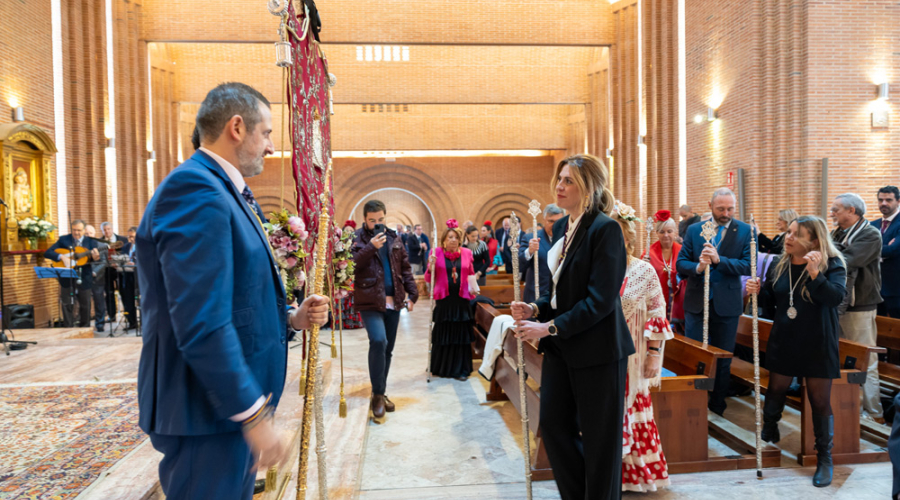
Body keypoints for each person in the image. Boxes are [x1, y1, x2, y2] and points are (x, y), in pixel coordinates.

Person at [135, 82, 330, 500]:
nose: (272, 147)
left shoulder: (223, 190)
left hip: (223, 412)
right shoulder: (194, 190)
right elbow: (201, 318)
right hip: (205, 410)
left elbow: (236, 295)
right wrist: (253, 414)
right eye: (268, 133)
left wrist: (292, 318)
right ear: (237, 127)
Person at [511, 154, 633, 500]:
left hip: (598, 349)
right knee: (552, 426)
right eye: (559, 179)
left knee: (599, 441)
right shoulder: (565, 226)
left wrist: (547, 328)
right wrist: (536, 307)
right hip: (564, 346)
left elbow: (600, 300)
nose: (560, 187)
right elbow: (563, 292)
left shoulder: (604, 229)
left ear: (588, 188)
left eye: (568, 181)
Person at [747, 216, 847, 487]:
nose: (787, 238)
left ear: (814, 240)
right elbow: (773, 300)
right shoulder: (782, 263)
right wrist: (758, 291)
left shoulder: (832, 264)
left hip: (818, 341)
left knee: (819, 401)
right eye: (788, 232)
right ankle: (770, 425)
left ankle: (824, 458)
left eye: (795, 234)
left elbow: (835, 299)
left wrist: (816, 274)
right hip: (785, 338)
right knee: (777, 387)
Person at [612, 202, 672, 492]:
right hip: (604, 355)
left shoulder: (643, 271)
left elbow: (657, 314)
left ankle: (635, 476)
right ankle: (609, 475)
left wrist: (653, 355)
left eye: (618, 236)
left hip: (635, 356)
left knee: (633, 408)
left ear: (628, 239)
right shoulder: (597, 270)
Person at [677, 188, 752, 416]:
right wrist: (698, 268)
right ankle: (694, 404)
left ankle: (718, 404)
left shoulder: (745, 231)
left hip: (726, 303)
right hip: (697, 301)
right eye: (721, 208)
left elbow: (748, 265)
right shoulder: (695, 230)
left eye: (730, 208)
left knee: (723, 356)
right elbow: (681, 263)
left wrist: (720, 261)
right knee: (695, 354)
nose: (726, 213)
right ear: (710, 205)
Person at [351, 199, 419, 423]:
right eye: (372, 221)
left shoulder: (394, 237)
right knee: (378, 341)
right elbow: (352, 264)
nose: (377, 223)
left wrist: (413, 294)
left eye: (381, 219)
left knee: (387, 350)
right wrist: (372, 247)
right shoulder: (358, 238)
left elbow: (405, 268)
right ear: (365, 220)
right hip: (370, 300)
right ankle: (378, 396)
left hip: (394, 301)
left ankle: (379, 391)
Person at [830, 192, 885, 422]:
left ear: (852, 211)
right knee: (843, 358)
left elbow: (846, 259)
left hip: (860, 303)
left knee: (865, 359)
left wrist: (823, 252)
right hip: (839, 303)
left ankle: (874, 413)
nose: (832, 213)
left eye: (836, 209)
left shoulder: (870, 234)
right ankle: (849, 408)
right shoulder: (838, 233)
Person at [425, 221, 476, 380]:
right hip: (444, 301)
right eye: (449, 237)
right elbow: (428, 277)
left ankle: (460, 369)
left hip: (461, 301)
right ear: (444, 241)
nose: (453, 240)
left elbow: (471, 273)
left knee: (460, 336)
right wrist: (430, 267)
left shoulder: (467, 253)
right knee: (444, 335)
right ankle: (441, 367)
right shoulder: (435, 253)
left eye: (455, 237)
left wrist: (474, 289)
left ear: (460, 240)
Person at [44, 219, 100, 327]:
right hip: (67, 277)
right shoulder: (64, 240)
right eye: (74, 230)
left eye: (79, 230)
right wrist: (62, 257)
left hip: (84, 276)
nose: (76, 233)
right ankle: (68, 327)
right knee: (67, 304)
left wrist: (95, 257)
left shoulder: (91, 242)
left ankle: (85, 327)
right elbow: (48, 253)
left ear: (84, 230)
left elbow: (96, 259)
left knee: (85, 304)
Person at [641, 210, 683, 325]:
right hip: (657, 301)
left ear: (675, 232)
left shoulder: (682, 251)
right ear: (656, 233)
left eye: (669, 231)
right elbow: (640, 279)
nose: (665, 235)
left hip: (678, 302)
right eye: (661, 231)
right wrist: (642, 266)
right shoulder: (649, 253)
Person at [520, 203, 566, 303]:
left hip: (561, 296)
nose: (555, 225)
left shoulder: (568, 239)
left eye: (558, 221)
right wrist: (530, 251)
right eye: (551, 221)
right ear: (544, 220)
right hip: (536, 295)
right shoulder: (530, 238)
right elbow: (519, 265)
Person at [873, 186, 900, 318]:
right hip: (874, 287)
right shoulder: (872, 225)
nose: (883, 203)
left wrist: (870, 250)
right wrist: (884, 249)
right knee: (879, 330)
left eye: (888, 200)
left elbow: (894, 250)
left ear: (898, 201)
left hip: (895, 288)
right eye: (880, 200)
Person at [100, 221, 128, 324]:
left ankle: (127, 314)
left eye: (108, 229)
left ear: (112, 229)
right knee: (109, 292)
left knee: (123, 292)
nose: (107, 232)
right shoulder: (100, 241)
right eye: (104, 230)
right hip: (107, 269)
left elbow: (126, 253)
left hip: (120, 269)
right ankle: (111, 316)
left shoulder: (122, 239)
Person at [339, 221, 365, 330]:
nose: (349, 232)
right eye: (347, 230)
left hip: (354, 273)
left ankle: (355, 321)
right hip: (342, 272)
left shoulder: (357, 244)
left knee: (354, 297)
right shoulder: (339, 244)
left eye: (351, 231)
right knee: (344, 296)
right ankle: (344, 321)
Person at [84, 224, 108, 333]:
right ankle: (85, 324)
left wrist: (94, 272)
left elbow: (103, 262)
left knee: (99, 301)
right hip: (84, 277)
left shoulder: (101, 245)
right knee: (84, 301)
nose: (88, 235)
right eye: (86, 233)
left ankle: (100, 324)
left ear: (95, 234)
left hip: (96, 277)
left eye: (90, 233)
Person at [119, 227, 139, 330]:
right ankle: (132, 323)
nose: (130, 239)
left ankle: (144, 324)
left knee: (140, 300)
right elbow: (121, 258)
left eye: (132, 236)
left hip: (138, 276)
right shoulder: (126, 246)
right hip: (127, 275)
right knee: (128, 300)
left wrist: (135, 263)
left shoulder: (142, 246)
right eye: (129, 236)